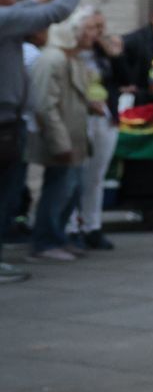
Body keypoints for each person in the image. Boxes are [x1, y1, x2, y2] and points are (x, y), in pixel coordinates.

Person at [0, 0, 92, 282]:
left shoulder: (7, 16)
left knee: (8, 193)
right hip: (3, 122)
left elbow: (29, 4)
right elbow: (53, 12)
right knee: (4, 194)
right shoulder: (3, 19)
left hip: (10, 121)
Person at [27, 16, 97, 261]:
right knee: (58, 191)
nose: (94, 34)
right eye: (87, 30)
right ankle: (45, 242)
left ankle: (58, 237)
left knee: (70, 190)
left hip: (74, 139)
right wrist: (60, 143)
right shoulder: (53, 59)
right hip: (61, 140)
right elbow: (45, 106)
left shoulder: (72, 59)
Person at [68, 7, 121, 249]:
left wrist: (112, 53)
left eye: (100, 26)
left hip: (105, 116)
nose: (96, 32)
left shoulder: (103, 54)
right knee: (73, 174)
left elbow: (124, 79)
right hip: (78, 116)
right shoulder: (69, 53)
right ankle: (70, 226)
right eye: (91, 27)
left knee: (96, 176)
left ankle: (93, 225)